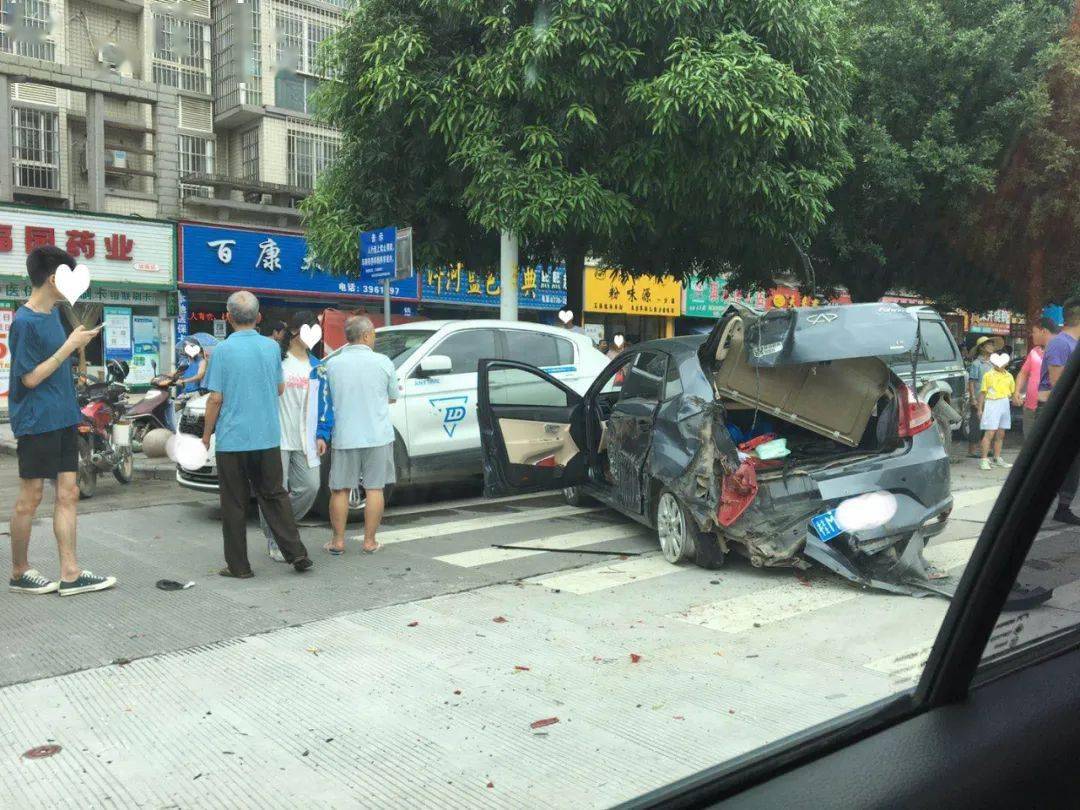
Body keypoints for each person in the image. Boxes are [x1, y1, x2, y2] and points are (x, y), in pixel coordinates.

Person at [8, 246, 117, 596]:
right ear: (54, 279)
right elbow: (29, 379)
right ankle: (20, 570)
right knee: (32, 495)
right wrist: (69, 347)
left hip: (64, 416)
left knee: (68, 493)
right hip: (36, 419)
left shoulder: (55, 314)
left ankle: (70, 572)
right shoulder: (24, 322)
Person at [201, 291, 313, 576]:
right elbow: (279, 389)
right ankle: (296, 553)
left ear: (227, 318)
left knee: (235, 503)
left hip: (232, 440)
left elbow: (215, 398)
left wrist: (205, 436)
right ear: (259, 317)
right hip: (266, 437)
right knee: (275, 496)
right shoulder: (271, 348)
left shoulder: (222, 350)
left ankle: (239, 567)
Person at [261, 311, 334, 562]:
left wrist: (323, 434)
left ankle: (278, 527)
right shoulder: (276, 360)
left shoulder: (317, 366)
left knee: (310, 487)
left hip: (306, 439)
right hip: (276, 437)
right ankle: (277, 537)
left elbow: (325, 402)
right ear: (295, 331)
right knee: (275, 491)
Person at [323, 315, 398, 554]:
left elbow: (326, 398)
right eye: (373, 334)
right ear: (366, 336)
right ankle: (369, 541)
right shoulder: (384, 362)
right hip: (378, 435)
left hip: (345, 436)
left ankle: (338, 541)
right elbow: (393, 395)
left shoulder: (333, 364)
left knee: (340, 489)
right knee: (375, 488)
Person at [1037, 298, 1080, 525]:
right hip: (1053, 412)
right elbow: (1059, 384)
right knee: (1048, 462)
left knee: (1073, 464)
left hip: (1070, 412)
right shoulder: (1061, 344)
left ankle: (1063, 508)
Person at [1013, 317, 1059, 439]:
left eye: (1034, 332)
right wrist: (1017, 391)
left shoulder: (1060, 349)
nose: (1032, 335)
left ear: (1043, 331)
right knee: (1029, 442)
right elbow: (1023, 373)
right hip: (1030, 407)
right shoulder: (1034, 351)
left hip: (1048, 406)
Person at [977, 352, 1015, 471]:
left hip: (1004, 403)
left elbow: (1013, 392)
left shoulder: (1009, 376)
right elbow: (983, 392)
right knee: (990, 433)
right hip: (992, 403)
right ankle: (983, 459)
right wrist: (979, 408)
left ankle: (997, 457)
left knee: (1001, 433)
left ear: (1007, 363)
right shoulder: (988, 375)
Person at [966, 335, 1003, 457]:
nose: (992, 347)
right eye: (989, 344)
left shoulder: (992, 364)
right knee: (976, 425)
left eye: (992, 345)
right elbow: (971, 382)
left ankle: (985, 450)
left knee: (989, 425)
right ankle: (972, 451)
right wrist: (972, 398)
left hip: (991, 398)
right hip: (978, 398)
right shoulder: (977, 364)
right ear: (982, 348)